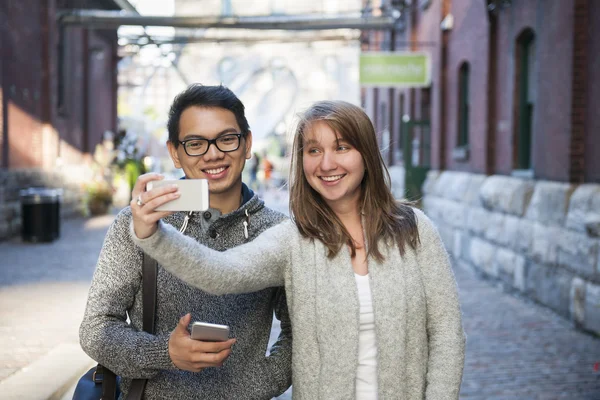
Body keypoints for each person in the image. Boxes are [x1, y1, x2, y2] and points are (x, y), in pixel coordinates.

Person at [130, 100, 465, 399]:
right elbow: (221, 272)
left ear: (367, 154)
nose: (327, 164)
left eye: (342, 147)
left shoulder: (414, 229)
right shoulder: (294, 239)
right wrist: (154, 234)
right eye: (314, 150)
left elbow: (447, 334)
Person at [79, 84, 293, 399]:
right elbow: (96, 329)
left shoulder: (277, 231)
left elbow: (300, 333)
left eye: (227, 138)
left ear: (247, 144)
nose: (213, 153)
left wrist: (255, 384)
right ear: (175, 153)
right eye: (195, 143)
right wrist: (164, 352)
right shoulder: (140, 222)